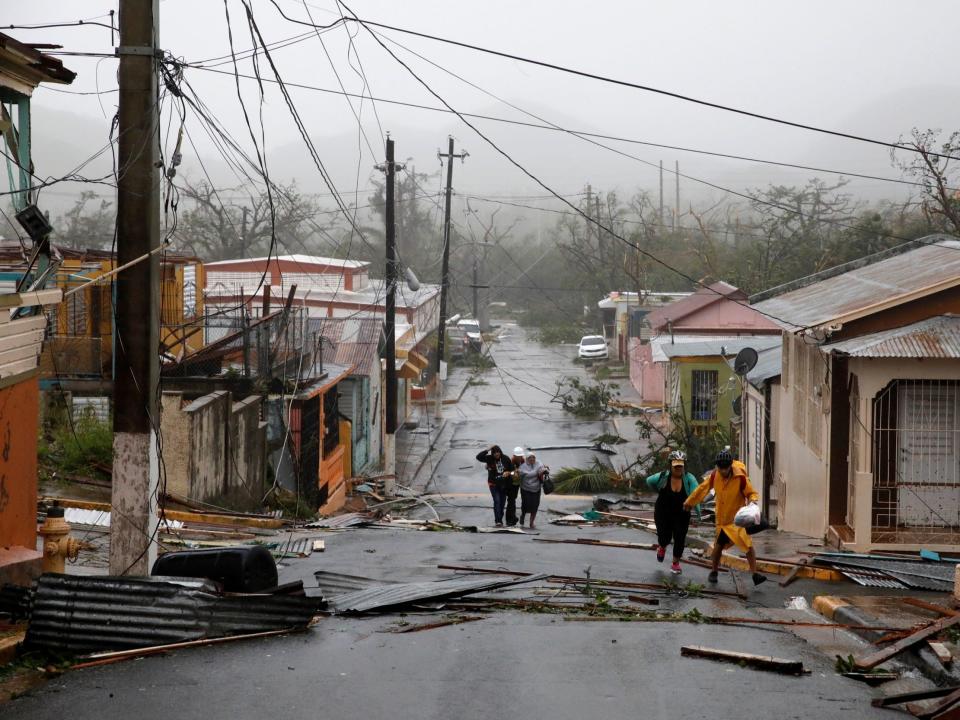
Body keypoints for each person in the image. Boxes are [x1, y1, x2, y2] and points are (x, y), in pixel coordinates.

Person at [683, 448, 767, 586]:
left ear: (730, 465)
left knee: (748, 546)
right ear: (717, 466)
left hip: (737, 520)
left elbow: (751, 493)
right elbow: (701, 489)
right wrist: (689, 502)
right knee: (717, 548)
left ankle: (755, 574)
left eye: (725, 468)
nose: (723, 471)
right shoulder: (714, 476)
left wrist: (753, 501)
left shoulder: (740, 478)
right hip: (722, 520)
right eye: (720, 468)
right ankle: (714, 571)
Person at [645, 449, 700, 574]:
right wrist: (658, 489)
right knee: (664, 536)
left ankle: (675, 563)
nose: (678, 468)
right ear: (671, 465)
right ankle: (662, 546)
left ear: (684, 465)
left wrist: (695, 506)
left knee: (680, 538)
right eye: (676, 466)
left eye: (681, 466)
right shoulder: (663, 476)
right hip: (663, 512)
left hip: (682, 513)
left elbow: (697, 492)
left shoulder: (689, 478)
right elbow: (649, 481)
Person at [476, 445, 515, 527]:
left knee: (502, 502)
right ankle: (498, 521)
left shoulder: (506, 458)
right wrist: (488, 449)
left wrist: (508, 473)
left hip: (504, 484)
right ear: (492, 453)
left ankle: (499, 518)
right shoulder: (489, 458)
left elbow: (513, 471)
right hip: (493, 484)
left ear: (500, 452)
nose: (497, 454)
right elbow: (478, 457)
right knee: (497, 501)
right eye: (495, 453)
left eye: (498, 452)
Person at [516, 449, 548, 529]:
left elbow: (542, 470)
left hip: (536, 488)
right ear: (527, 459)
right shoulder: (522, 467)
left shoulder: (539, 463)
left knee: (535, 505)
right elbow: (519, 474)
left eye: (533, 457)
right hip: (525, 488)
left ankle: (531, 522)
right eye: (530, 458)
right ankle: (523, 515)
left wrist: (545, 470)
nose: (532, 459)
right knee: (525, 505)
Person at [503, 446, 526, 527]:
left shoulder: (523, 461)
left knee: (514, 501)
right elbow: (508, 473)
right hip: (511, 484)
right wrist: (514, 472)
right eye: (518, 456)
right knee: (511, 501)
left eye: (521, 456)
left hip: (518, 483)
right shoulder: (510, 462)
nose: (520, 458)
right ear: (514, 456)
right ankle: (509, 520)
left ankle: (513, 517)